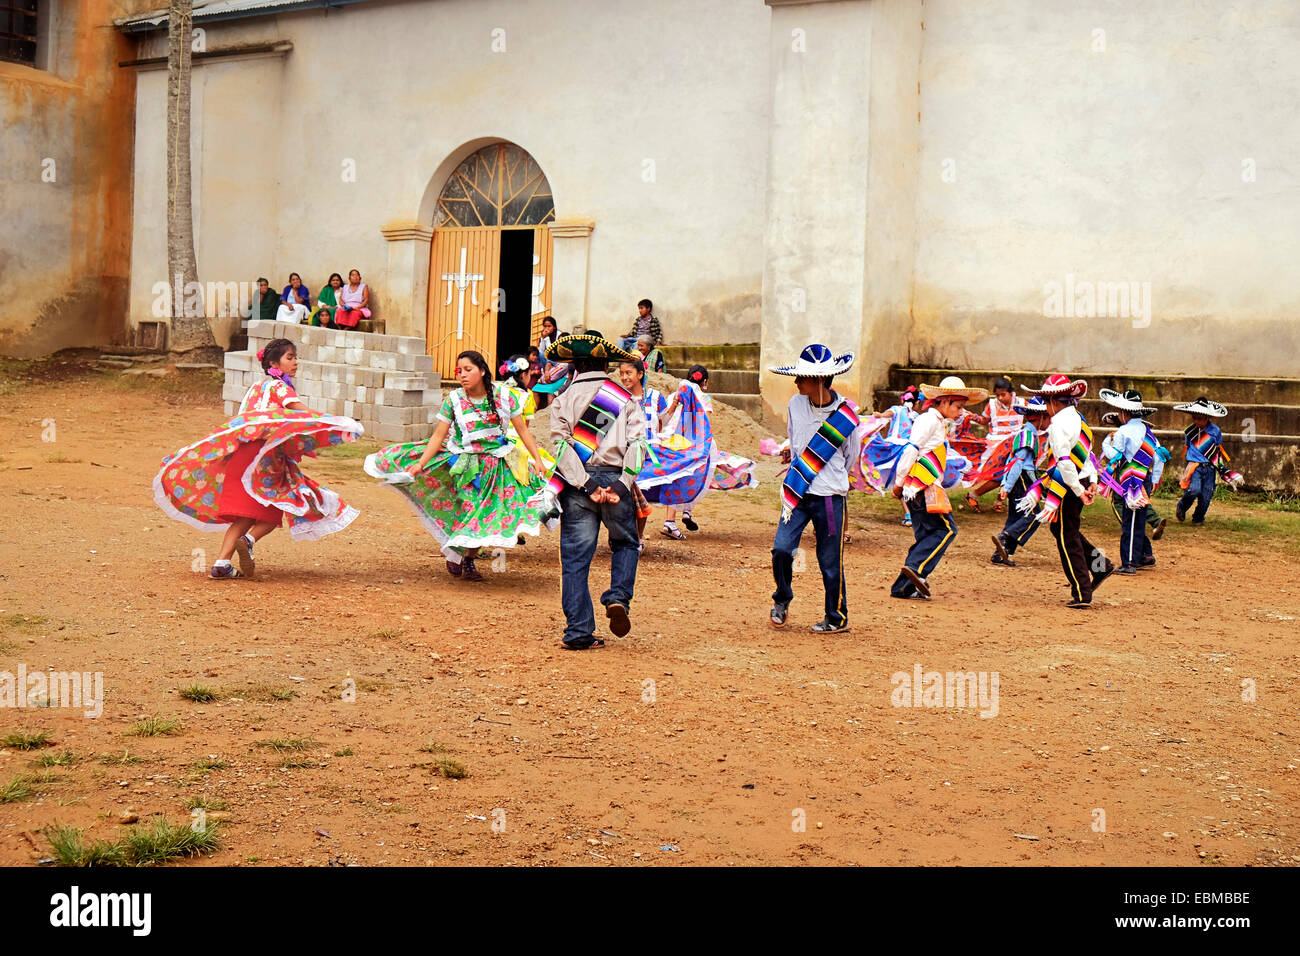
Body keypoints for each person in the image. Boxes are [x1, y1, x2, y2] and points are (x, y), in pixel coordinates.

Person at [153, 337, 363, 578]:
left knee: (244, 514)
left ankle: (221, 564)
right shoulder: (282, 388)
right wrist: (340, 423)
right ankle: (249, 540)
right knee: (273, 510)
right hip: (265, 457)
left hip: (242, 454)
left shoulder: (255, 388)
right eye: (290, 358)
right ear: (275, 363)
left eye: (295, 357)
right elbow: (302, 415)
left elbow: (244, 420)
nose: (296, 362)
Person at [362, 350, 549, 580]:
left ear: (482, 371)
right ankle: (456, 551)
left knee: (485, 514)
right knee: (469, 509)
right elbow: (438, 436)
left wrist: (537, 460)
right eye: (459, 371)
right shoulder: (454, 399)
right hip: (464, 464)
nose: (462, 375)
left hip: (497, 466)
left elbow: (522, 431)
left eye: (468, 370)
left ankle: (468, 559)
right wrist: (421, 463)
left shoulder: (504, 396)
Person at [539, 331, 647, 650]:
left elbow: (560, 448)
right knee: (626, 543)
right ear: (605, 362)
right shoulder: (625, 398)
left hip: (578, 488)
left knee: (575, 560)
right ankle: (617, 597)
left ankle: (578, 631)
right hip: (616, 480)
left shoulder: (563, 399)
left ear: (576, 364)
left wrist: (586, 485)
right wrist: (620, 485)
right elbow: (638, 445)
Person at [766, 344, 860, 632]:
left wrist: (828, 477)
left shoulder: (845, 416)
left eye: (802, 377)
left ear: (820, 380)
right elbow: (794, 439)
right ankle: (782, 598)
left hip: (830, 496)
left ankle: (836, 616)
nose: (796, 383)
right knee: (781, 549)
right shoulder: (796, 404)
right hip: (798, 491)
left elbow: (851, 455)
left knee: (830, 559)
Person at [1014, 374, 1114, 609]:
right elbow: (1087, 454)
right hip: (1080, 479)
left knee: (1066, 535)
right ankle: (1101, 565)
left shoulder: (1058, 424)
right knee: (1064, 529)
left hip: (1070, 485)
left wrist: (1079, 490)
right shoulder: (1078, 418)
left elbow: (1065, 462)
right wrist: (1091, 480)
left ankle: (1082, 591)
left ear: (1052, 401)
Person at [890, 376, 988, 600]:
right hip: (922, 485)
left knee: (926, 534)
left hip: (919, 486)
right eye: (958, 406)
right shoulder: (930, 421)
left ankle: (904, 586)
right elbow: (911, 449)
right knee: (946, 531)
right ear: (944, 402)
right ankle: (916, 571)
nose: (961, 412)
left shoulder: (937, 422)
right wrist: (898, 483)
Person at [638, 365, 714, 539]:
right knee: (694, 473)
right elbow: (705, 421)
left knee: (673, 474)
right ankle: (684, 513)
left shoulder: (674, 395)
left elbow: (665, 416)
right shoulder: (703, 397)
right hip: (691, 440)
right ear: (705, 382)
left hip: (670, 439)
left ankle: (672, 520)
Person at [1098, 389, 1163, 574]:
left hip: (1131, 478)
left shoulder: (1122, 432)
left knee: (1130, 521)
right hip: (1146, 476)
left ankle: (1129, 562)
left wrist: (1105, 444)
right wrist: (1156, 478)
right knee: (1139, 519)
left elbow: (1115, 456)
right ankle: (1143, 556)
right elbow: (1158, 457)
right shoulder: (1147, 431)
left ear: (1124, 413)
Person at [617, 357, 670, 551]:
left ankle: (637, 538)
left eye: (628, 373)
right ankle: (626, 537)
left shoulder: (656, 397)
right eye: (621, 373)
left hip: (648, 457)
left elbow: (664, 422)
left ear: (640, 374)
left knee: (642, 498)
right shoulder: (618, 398)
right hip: (625, 456)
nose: (624, 377)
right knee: (627, 498)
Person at [991, 395, 1050, 566]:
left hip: (1018, 479)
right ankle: (1005, 536)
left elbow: (1012, 462)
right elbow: (1018, 463)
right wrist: (1007, 486)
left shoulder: (1025, 433)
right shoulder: (1028, 436)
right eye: (1047, 418)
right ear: (1040, 418)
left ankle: (1001, 553)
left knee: (1015, 517)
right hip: (1022, 480)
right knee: (1033, 515)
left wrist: (1005, 483)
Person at [853, 384, 919, 526]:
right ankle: (911, 513)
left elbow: (885, 415)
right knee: (907, 480)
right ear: (917, 403)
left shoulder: (897, 410)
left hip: (894, 449)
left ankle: (910, 513)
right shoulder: (916, 416)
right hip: (909, 450)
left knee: (900, 481)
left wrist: (878, 415)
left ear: (902, 400)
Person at [1173, 396, 1241, 524]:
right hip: (1195, 467)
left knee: (1206, 496)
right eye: (1194, 418)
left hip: (1209, 467)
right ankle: (1182, 506)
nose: (1196, 421)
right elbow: (1188, 446)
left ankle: (1198, 518)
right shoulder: (1190, 431)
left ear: (1207, 417)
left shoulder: (1215, 431)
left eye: (1199, 418)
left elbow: (1217, 448)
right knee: (1194, 490)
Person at [965, 377, 1022, 512]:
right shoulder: (991, 405)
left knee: (1011, 473)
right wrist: (975, 417)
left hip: (1015, 445)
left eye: (1003, 394)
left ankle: (997, 500)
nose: (1000, 398)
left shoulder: (1021, 403)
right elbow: (984, 420)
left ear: (1011, 392)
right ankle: (976, 495)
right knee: (1000, 475)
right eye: (997, 395)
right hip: (996, 447)